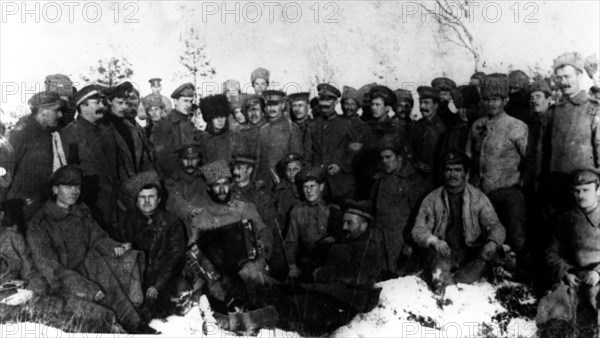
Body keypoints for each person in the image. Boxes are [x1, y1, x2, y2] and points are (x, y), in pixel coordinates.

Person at [27, 165, 155, 334]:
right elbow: (51, 269)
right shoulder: (40, 224)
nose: (74, 191)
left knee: (117, 261)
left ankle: (133, 321)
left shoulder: (81, 212)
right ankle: (119, 325)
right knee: (97, 318)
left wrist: (115, 247)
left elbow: (97, 237)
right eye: (67, 186)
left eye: (77, 186)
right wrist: (88, 289)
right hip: (59, 282)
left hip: (87, 268)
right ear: (55, 189)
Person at [412, 151, 506, 293]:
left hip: (471, 253)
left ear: (465, 173)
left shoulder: (478, 198)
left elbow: (496, 226)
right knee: (445, 284)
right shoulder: (432, 199)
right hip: (444, 254)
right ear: (443, 173)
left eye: (457, 170)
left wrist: (493, 243)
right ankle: (450, 295)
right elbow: (418, 229)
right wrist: (434, 241)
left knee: (464, 283)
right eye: (448, 170)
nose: (453, 175)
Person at [186, 159, 272, 306]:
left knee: (251, 272)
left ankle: (252, 309)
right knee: (208, 287)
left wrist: (262, 245)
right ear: (208, 188)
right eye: (217, 185)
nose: (222, 190)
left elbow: (264, 231)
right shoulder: (201, 215)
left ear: (231, 185)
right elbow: (193, 249)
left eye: (225, 184)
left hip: (246, 264)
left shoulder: (245, 208)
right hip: (215, 271)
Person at [467, 73, 529, 259]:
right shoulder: (477, 126)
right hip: (483, 193)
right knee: (486, 237)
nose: (491, 104)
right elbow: (469, 157)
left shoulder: (516, 126)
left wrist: (521, 184)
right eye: (487, 99)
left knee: (516, 238)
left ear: (506, 100)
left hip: (509, 192)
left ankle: (521, 278)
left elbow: (529, 160)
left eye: (495, 99)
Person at [536, 169, 600, 336]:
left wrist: (598, 273)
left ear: (598, 190)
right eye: (576, 191)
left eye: (586, 190)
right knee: (553, 313)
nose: (580, 195)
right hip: (576, 280)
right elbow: (551, 252)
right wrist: (567, 273)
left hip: (598, 280)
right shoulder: (565, 219)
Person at [116, 171, 187, 318]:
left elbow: (175, 257)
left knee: (173, 299)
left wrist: (158, 285)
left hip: (164, 277)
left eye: (151, 196)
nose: (146, 201)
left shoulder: (171, 222)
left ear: (159, 199)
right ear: (136, 201)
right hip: (137, 277)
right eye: (142, 197)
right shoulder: (127, 223)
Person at [538, 52, 600, 215]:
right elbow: (542, 152)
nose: (563, 82)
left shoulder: (593, 109)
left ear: (579, 75)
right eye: (559, 78)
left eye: (567, 76)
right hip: (556, 187)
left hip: (585, 187)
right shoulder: (552, 112)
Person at [60, 85, 121, 230]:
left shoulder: (106, 131)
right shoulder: (70, 133)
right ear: (83, 106)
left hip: (112, 204)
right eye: (97, 103)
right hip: (89, 205)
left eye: (102, 102)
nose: (102, 106)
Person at [0, 91, 62, 220]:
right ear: (42, 110)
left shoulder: (46, 133)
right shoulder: (21, 133)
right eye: (57, 110)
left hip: (39, 204)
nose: (60, 115)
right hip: (19, 208)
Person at [370, 137, 424, 277]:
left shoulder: (412, 180)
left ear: (399, 157)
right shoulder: (379, 178)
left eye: (388, 157)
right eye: (382, 158)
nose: (385, 161)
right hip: (380, 236)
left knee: (400, 278)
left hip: (400, 239)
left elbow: (419, 215)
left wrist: (410, 244)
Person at [231, 154, 286, 280]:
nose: (235, 171)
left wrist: (262, 250)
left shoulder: (261, 196)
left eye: (239, 168)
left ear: (249, 170)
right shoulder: (228, 193)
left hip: (255, 246)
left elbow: (269, 227)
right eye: (234, 168)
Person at [304, 84, 363, 200]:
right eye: (322, 99)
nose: (324, 104)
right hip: (318, 182)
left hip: (341, 184)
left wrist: (340, 165)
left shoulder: (347, 124)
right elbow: (307, 152)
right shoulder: (312, 125)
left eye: (328, 100)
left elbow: (356, 152)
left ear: (336, 102)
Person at [284, 167, 342, 281]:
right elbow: (291, 242)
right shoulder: (297, 210)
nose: (308, 191)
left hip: (328, 265)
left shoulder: (333, 209)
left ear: (321, 187)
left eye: (312, 186)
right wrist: (292, 266)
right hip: (304, 264)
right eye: (305, 187)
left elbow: (340, 240)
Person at [313, 199, 383, 286]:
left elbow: (357, 277)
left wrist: (323, 274)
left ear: (363, 226)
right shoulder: (346, 241)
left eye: (350, 223)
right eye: (343, 222)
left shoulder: (368, 247)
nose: (344, 227)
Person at [255, 90, 303, 189]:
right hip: (266, 183)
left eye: (275, 105)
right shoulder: (263, 130)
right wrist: (257, 179)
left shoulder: (292, 128)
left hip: (285, 183)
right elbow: (259, 160)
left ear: (282, 105)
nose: (271, 108)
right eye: (269, 105)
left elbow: (297, 160)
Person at [165, 142, 211, 238]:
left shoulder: (208, 171)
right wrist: (190, 210)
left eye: (193, 159)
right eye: (186, 159)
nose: (190, 163)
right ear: (180, 160)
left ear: (199, 159)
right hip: (187, 226)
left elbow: (226, 184)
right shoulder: (173, 180)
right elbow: (174, 201)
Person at [153, 83, 197, 178]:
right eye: (185, 101)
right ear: (175, 101)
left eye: (190, 101)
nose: (188, 105)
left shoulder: (190, 124)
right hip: (174, 179)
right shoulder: (165, 124)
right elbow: (163, 158)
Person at [409, 86, 447, 188]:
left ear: (436, 105)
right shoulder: (414, 126)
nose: (422, 106)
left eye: (426, 103)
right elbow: (408, 150)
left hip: (436, 181)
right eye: (420, 102)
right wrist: (416, 164)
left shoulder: (443, 129)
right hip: (415, 178)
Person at [195, 94, 239, 164]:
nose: (220, 120)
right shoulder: (202, 139)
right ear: (210, 117)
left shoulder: (235, 137)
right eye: (215, 116)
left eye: (222, 116)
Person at [272, 152, 304, 228]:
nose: (292, 172)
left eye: (295, 169)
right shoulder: (280, 190)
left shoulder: (308, 186)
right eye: (289, 169)